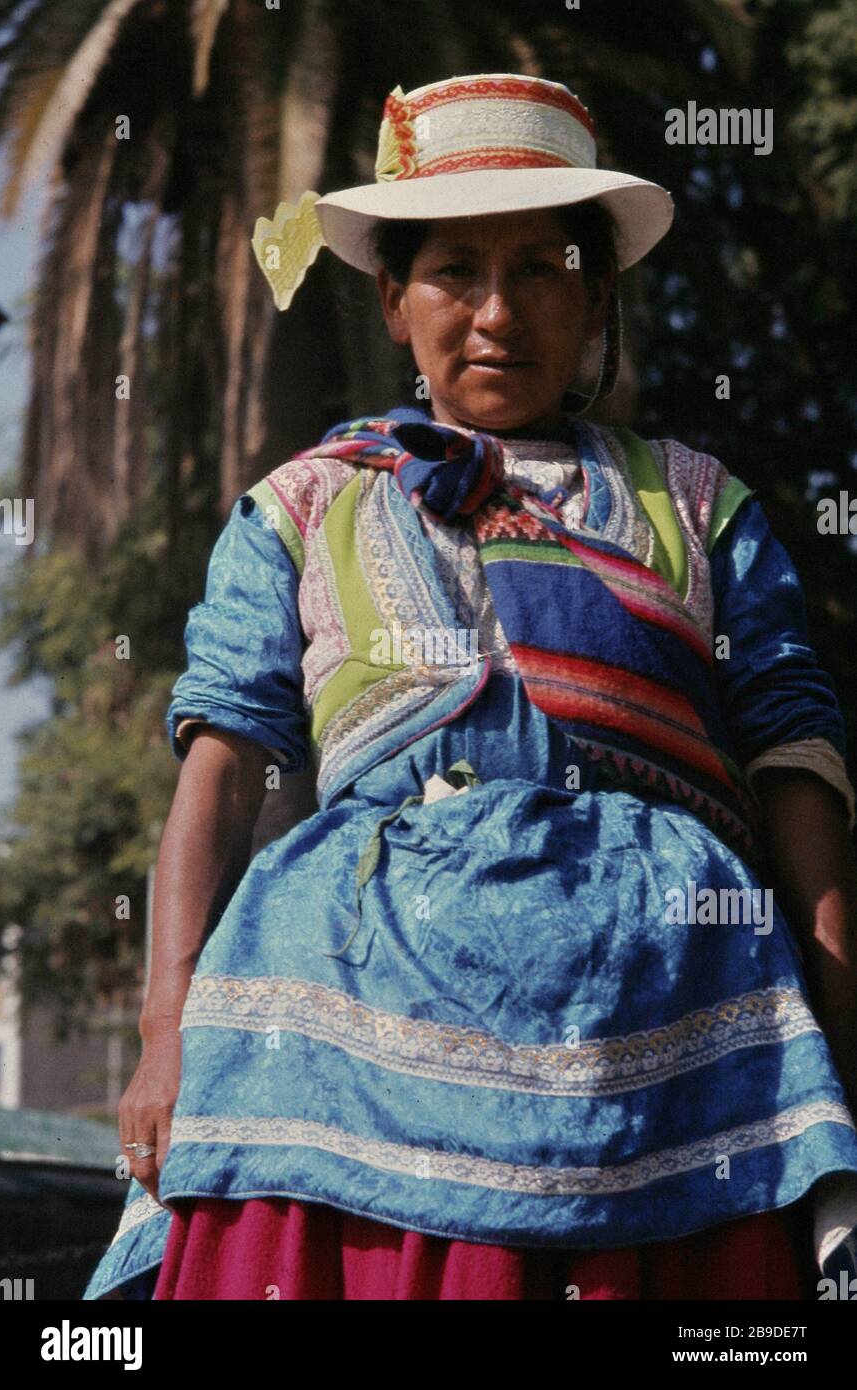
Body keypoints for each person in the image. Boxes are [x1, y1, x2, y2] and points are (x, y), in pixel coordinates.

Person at [85, 72, 857, 1302]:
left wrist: (832, 1016)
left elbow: (790, 752)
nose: (499, 311)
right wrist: (167, 1029)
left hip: (662, 1025)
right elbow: (223, 763)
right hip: (343, 1025)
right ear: (392, 298)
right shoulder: (301, 508)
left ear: (597, 292)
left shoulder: (700, 509)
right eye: (453, 271)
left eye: (545, 267)